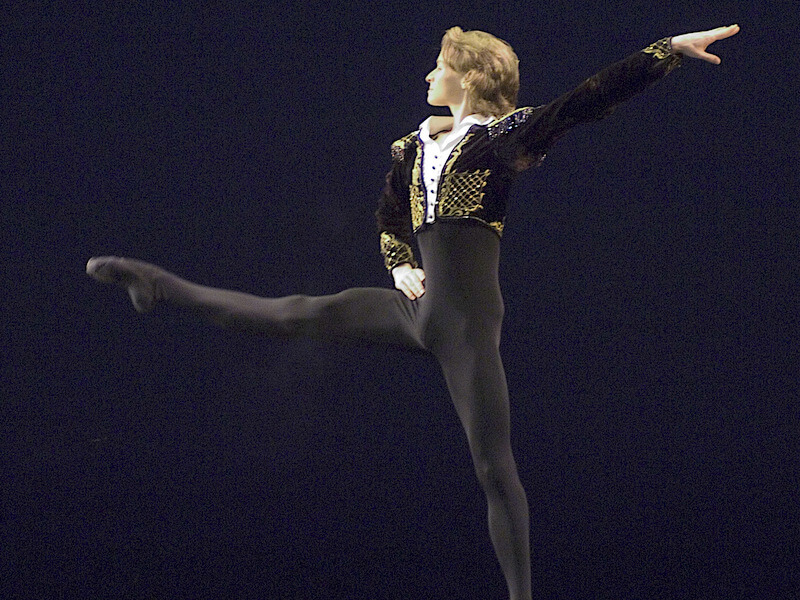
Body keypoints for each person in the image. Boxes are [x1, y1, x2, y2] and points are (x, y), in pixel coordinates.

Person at [87, 24, 740, 600]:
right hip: (417, 309)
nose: (429, 75)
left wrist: (668, 51)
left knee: (494, 467)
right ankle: (156, 283)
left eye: (439, 66)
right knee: (293, 313)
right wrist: (399, 264)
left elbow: (586, 100)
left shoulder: (499, 140)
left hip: (465, 327)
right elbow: (389, 219)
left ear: (470, 77)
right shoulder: (413, 147)